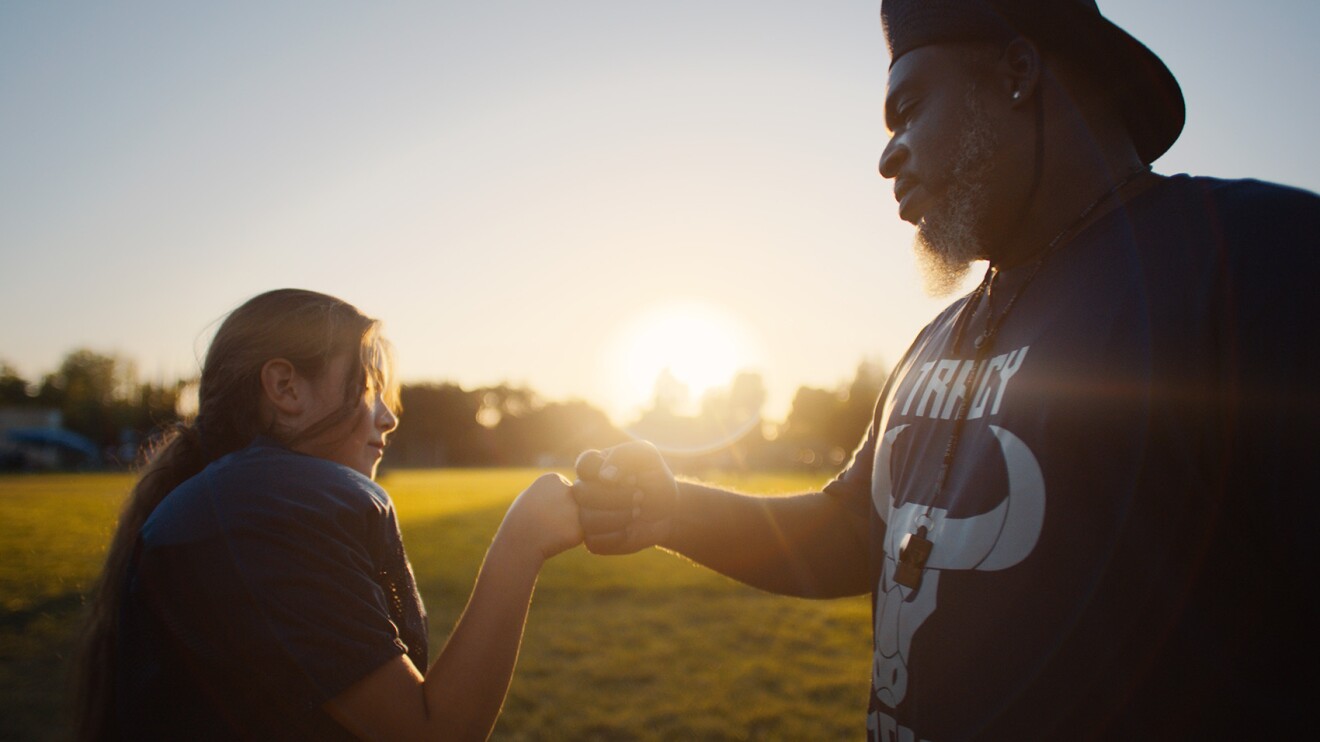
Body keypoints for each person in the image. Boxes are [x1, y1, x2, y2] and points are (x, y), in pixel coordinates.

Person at [572, 1, 1319, 739]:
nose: (887, 154)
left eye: (908, 109)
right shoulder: (937, 337)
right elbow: (856, 529)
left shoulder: (1257, 260)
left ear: (1017, 70)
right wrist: (675, 510)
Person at [72, 289, 581, 740]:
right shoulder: (262, 510)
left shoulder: (234, 502)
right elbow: (430, 732)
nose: (388, 415)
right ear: (286, 388)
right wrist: (522, 541)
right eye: (367, 387)